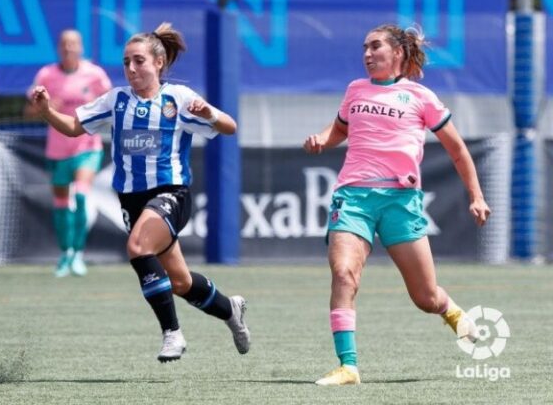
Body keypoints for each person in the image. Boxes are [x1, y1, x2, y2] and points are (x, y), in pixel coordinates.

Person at [30, 22, 250, 362]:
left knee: (136, 246)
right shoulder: (116, 100)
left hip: (171, 194)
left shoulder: (179, 98)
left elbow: (230, 127)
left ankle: (172, 334)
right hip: (132, 200)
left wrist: (210, 114)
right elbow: (74, 127)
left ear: (158, 63)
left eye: (139, 61)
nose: (131, 69)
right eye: (126, 62)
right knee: (179, 282)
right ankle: (229, 309)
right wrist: (46, 111)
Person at [303, 24, 491, 386]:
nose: (367, 53)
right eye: (364, 47)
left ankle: (450, 311)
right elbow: (339, 129)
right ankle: (348, 366)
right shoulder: (355, 90)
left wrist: (477, 196)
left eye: (375, 46)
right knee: (344, 273)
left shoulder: (421, 97)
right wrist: (321, 140)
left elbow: (458, 150)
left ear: (398, 53)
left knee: (425, 297)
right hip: (353, 196)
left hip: (401, 202)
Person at [25, 29, 112, 277]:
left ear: (81, 47)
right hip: (57, 149)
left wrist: (97, 117)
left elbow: (110, 105)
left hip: (86, 146)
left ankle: (79, 254)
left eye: (73, 44)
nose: (68, 48)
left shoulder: (94, 75)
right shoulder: (46, 75)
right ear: (58, 48)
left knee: (82, 197)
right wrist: (45, 108)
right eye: (64, 44)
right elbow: (30, 111)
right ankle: (66, 253)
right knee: (61, 202)